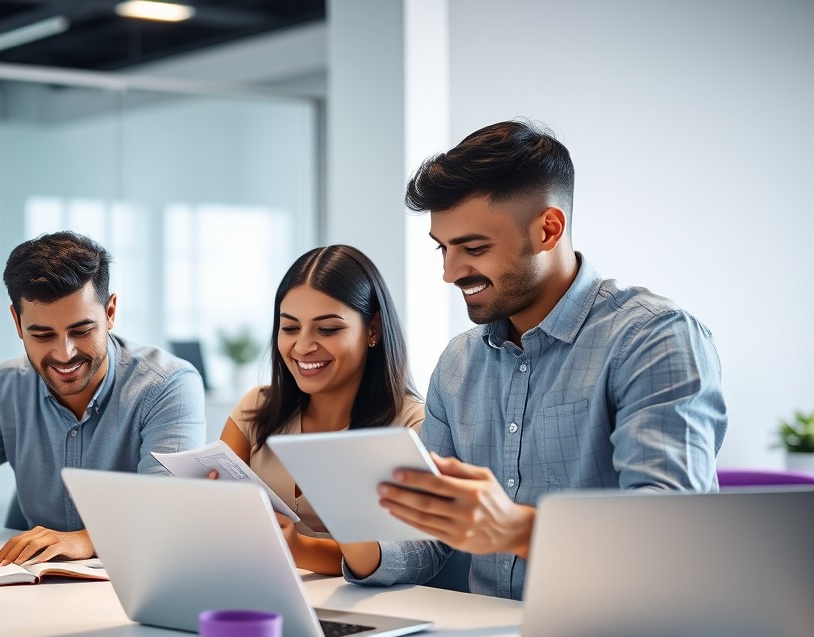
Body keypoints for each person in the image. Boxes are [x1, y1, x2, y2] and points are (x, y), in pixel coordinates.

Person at [349, 120, 727, 598]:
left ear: (549, 229)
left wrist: (515, 529)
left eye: (474, 248)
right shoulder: (458, 363)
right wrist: (355, 530)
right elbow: (429, 535)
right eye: (443, 249)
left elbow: (674, 536)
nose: (449, 272)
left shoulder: (653, 338)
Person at [0, 231, 206, 566]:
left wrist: (86, 540)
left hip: (129, 584)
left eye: (81, 331)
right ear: (17, 322)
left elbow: (168, 509)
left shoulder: (168, 385)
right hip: (31, 588)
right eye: (43, 335)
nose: (64, 354)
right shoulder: (5, 389)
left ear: (110, 311)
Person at [217, 244, 424, 575]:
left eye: (327, 329)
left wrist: (299, 548)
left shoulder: (412, 426)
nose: (302, 346)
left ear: (373, 329)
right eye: (289, 328)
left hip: (367, 608)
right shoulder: (256, 409)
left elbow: (403, 556)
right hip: (258, 589)